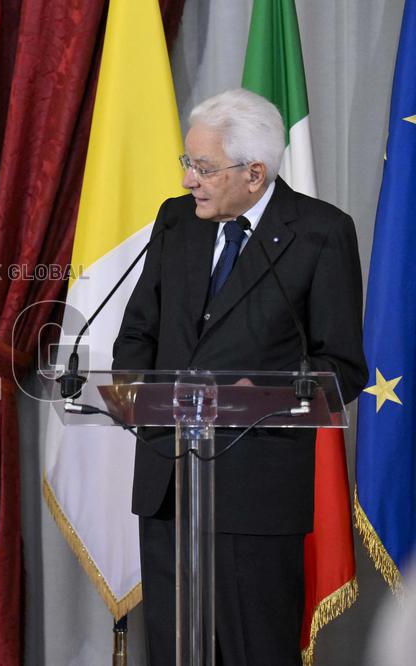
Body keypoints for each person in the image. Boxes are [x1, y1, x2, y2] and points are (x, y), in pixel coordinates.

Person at [112, 89, 367, 665]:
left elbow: (342, 367)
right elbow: (138, 334)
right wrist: (141, 404)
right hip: (170, 487)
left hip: (255, 495)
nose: (188, 181)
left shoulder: (321, 232)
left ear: (255, 173)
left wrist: (263, 401)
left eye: (203, 167)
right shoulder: (177, 221)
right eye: (187, 163)